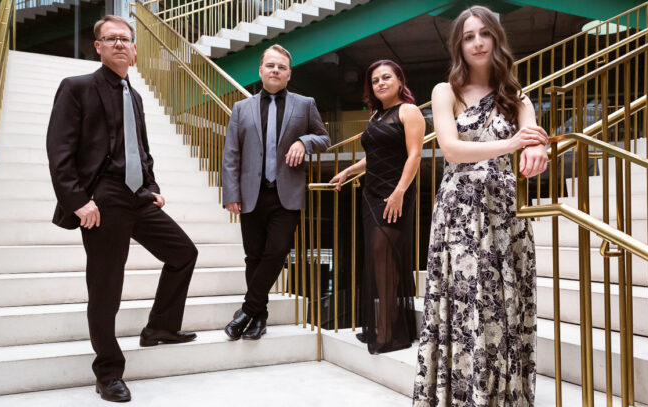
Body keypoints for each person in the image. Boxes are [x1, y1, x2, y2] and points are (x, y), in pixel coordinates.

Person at [46, 15, 198, 403]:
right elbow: (59, 151)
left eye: (125, 39)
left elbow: (140, 150)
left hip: (136, 196)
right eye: (109, 39)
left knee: (183, 253)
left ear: (134, 49)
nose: (118, 44)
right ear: (97, 46)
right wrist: (78, 200)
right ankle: (108, 372)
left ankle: (160, 328)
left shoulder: (135, 95)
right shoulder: (76, 88)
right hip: (103, 198)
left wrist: (152, 187)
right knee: (106, 286)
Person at [412, 6, 548, 406]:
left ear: (496, 39)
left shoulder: (516, 97)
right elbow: (452, 150)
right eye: (468, 36)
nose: (477, 42)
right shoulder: (445, 91)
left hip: (505, 212)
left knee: (503, 305)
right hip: (461, 211)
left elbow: (534, 137)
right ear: (459, 46)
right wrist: (513, 145)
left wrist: (537, 149)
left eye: (484, 34)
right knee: (464, 303)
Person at [221, 44, 330, 340]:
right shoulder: (242, 108)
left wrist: (304, 142)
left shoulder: (304, 104)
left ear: (288, 74)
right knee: (253, 257)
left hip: (287, 193)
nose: (275, 71)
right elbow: (231, 153)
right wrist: (231, 193)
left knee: (277, 252)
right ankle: (259, 317)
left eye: (281, 67)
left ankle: (246, 309)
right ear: (261, 70)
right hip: (250, 194)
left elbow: (324, 137)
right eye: (270, 65)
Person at [330, 60, 425, 354]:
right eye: (374, 80)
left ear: (399, 81)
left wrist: (399, 192)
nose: (380, 83)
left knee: (386, 258)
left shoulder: (409, 111)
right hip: (371, 193)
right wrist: (348, 171)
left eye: (386, 78)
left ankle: (388, 329)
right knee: (378, 259)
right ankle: (385, 323)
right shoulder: (375, 116)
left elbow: (414, 155)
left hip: (394, 193)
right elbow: (373, 156)